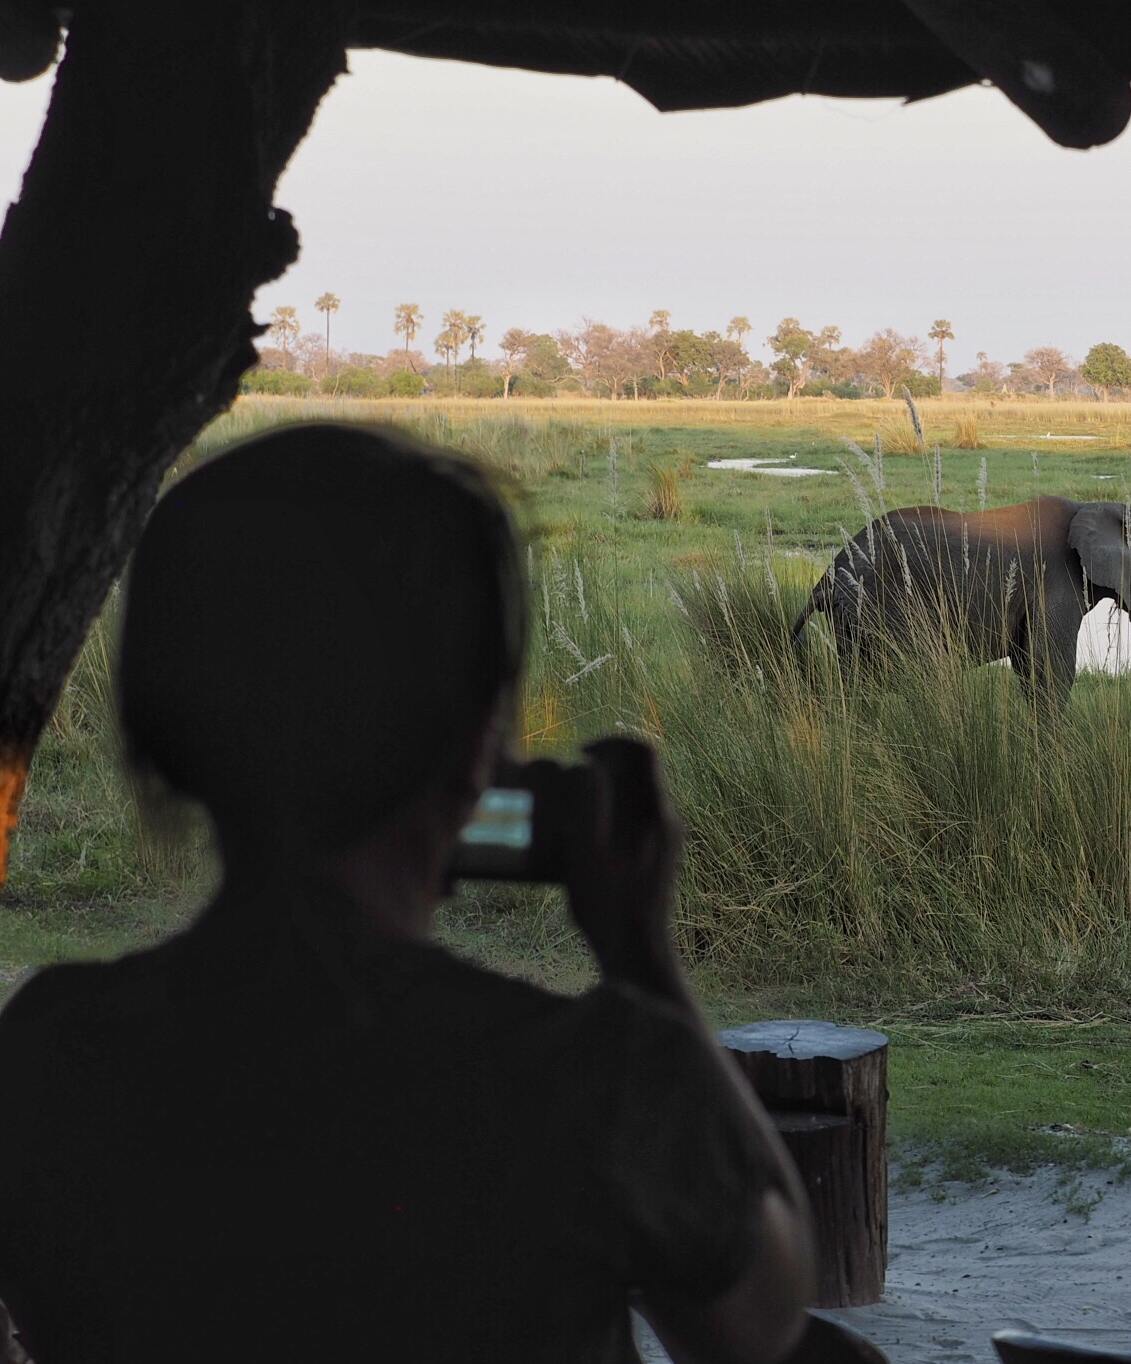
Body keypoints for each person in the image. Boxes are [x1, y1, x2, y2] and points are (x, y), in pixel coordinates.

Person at [0, 424, 813, 1364]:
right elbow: (764, 1319)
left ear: (163, 734)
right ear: (475, 749)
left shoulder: (50, 1052)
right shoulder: (591, 1081)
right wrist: (643, 954)